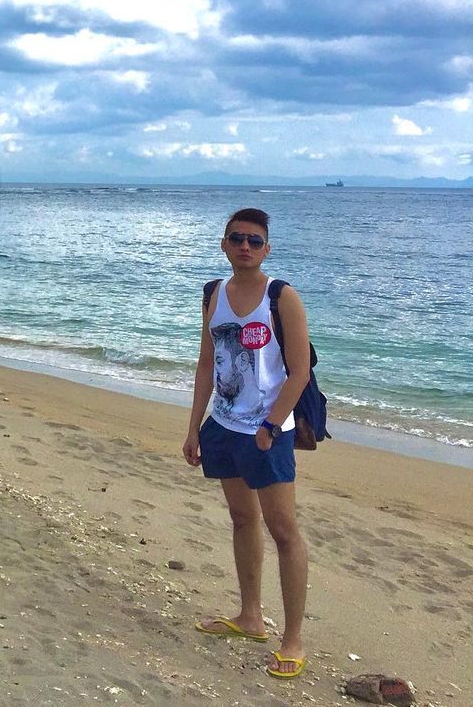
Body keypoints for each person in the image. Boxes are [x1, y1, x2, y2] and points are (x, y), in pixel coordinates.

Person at [182, 207, 310, 680]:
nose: (245, 246)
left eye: (255, 241)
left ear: (267, 249)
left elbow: (298, 372)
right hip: (223, 425)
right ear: (224, 244)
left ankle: (293, 639)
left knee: (283, 531)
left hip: (268, 432)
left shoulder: (283, 296)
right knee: (241, 519)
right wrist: (194, 426)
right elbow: (204, 364)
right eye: (237, 238)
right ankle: (250, 617)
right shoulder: (213, 293)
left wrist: (271, 427)